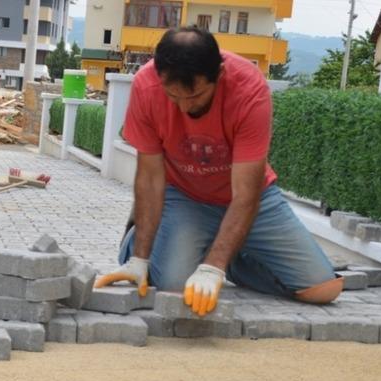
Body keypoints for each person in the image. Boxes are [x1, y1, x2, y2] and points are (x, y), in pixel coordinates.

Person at [96, 27, 342, 316]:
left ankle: (229, 256)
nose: (185, 107)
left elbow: (246, 193)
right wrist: (140, 259)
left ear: (220, 75)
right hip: (186, 197)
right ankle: (137, 245)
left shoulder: (249, 89)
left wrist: (213, 267)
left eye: (196, 95)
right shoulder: (146, 86)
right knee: (175, 285)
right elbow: (150, 177)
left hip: (251, 199)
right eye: (174, 97)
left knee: (322, 289)